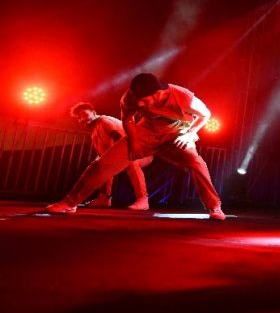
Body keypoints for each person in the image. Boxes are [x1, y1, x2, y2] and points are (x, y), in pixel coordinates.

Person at [47, 73, 226, 220]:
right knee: (103, 163)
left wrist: (190, 133)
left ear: (159, 94)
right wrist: (134, 143)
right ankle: (69, 203)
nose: (139, 104)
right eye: (136, 98)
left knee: (196, 162)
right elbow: (128, 120)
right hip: (146, 133)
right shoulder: (130, 98)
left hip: (176, 135)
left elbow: (206, 114)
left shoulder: (183, 97)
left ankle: (214, 207)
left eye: (143, 100)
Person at [70, 102, 151, 210]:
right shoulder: (94, 130)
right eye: (79, 118)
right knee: (102, 165)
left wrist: (116, 156)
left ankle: (143, 199)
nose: (82, 119)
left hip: (140, 151)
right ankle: (104, 199)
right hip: (123, 154)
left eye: (84, 114)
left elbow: (119, 137)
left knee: (131, 161)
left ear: (93, 112)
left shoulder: (104, 120)